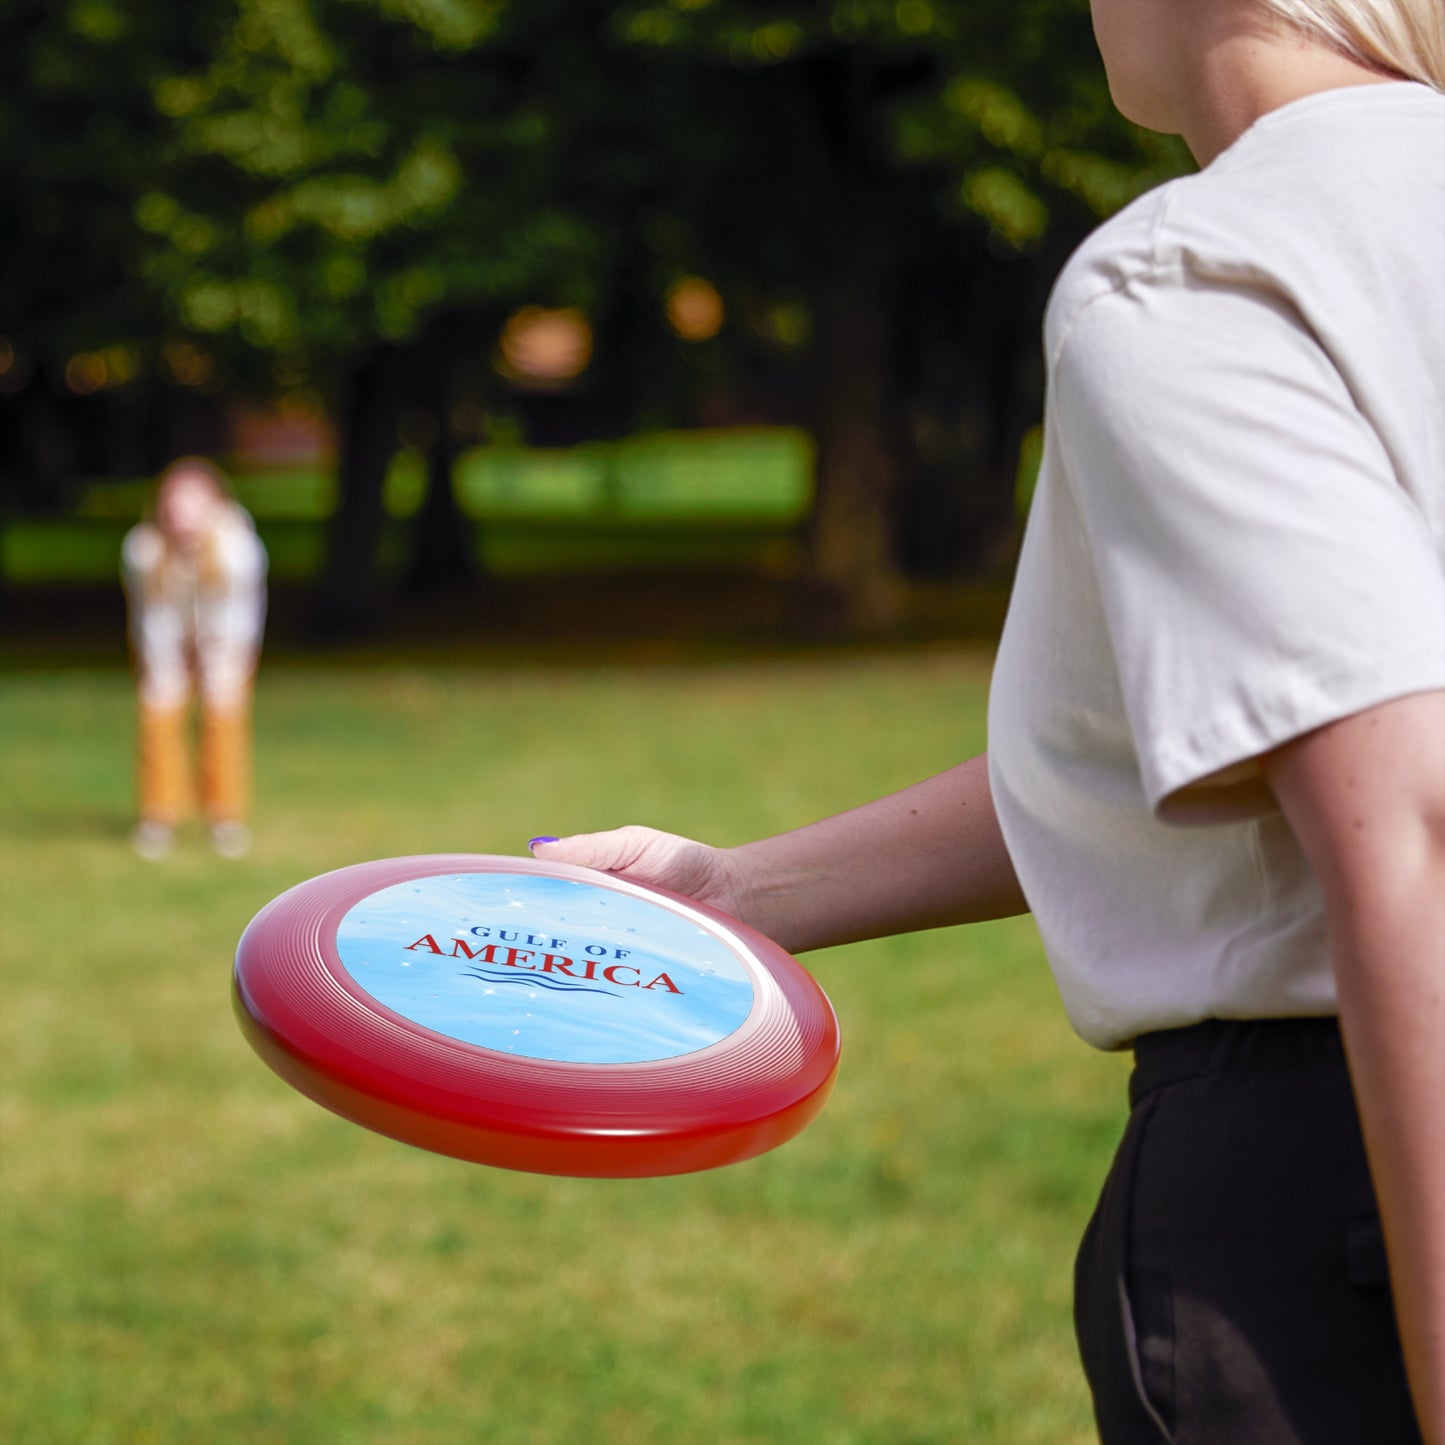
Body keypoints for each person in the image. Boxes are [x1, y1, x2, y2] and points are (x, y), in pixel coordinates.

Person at [528, 2, 1445, 1440]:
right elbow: (1213, 741)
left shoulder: (1204, 269)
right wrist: (736, 890)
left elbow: (1409, 822)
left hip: (1342, 1191)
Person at [121, 457, 268, 860]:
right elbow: (152, 616)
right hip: (165, 640)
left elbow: (239, 616)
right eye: (174, 506)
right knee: (158, 712)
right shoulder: (143, 549)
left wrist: (215, 659)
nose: (182, 517)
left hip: (226, 641)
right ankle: (158, 816)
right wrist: (168, 664)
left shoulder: (239, 549)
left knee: (223, 717)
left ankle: (225, 818)